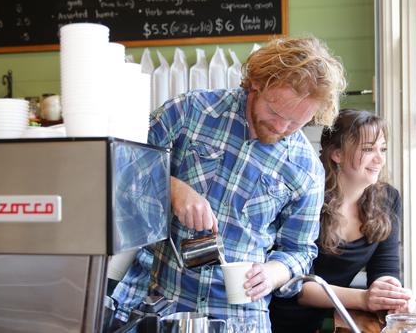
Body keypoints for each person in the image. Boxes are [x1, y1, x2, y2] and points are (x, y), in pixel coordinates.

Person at [111, 36, 346, 331]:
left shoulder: (305, 169)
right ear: (257, 83)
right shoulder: (191, 112)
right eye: (275, 112)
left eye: (297, 123)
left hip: (242, 320)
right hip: (164, 303)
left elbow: (300, 250)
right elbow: (119, 164)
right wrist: (172, 187)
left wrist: (275, 272)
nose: (281, 127)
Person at [269, 109, 413, 332]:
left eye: (382, 149)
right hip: (280, 321)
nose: (379, 158)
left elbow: (385, 267)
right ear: (337, 154)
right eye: (368, 149)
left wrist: (391, 294)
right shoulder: (308, 198)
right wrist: (365, 299)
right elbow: (294, 285)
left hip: (336, 319)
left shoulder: (388, 199)